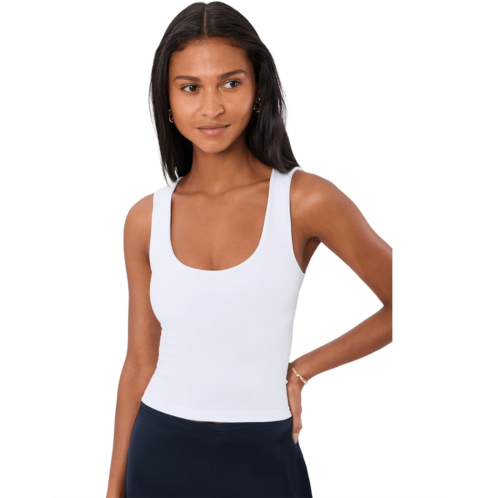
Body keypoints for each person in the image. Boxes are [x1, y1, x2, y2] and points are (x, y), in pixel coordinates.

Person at [106, 2, 392, 497]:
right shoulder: (145, 219)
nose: (211, 107)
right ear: (166, 100)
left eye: (230, 83)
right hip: (158, 454)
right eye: (190, 87)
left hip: (264, 457)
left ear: (258, 88)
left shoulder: (306, 200)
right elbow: (138, 364)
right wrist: (113, 489)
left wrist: (303, 370)